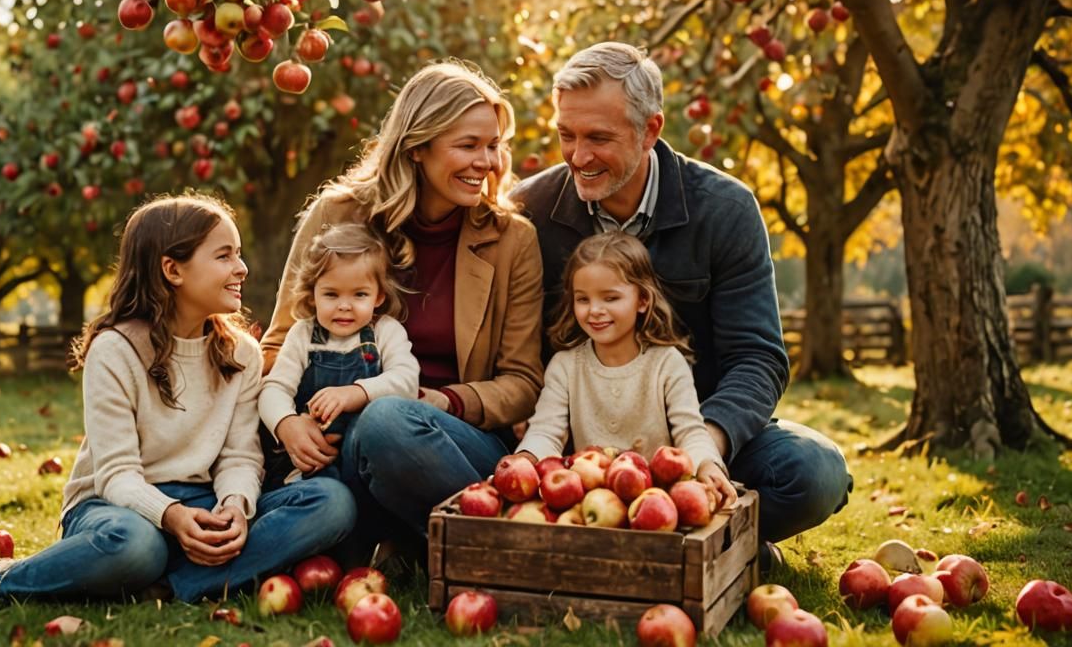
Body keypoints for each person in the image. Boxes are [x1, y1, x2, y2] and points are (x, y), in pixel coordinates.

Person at [0, 194, 355, 612]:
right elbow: (117, 475)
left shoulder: (241, 354)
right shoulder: (116, 349)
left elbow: (238, 455)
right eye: (224, 256)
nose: (241, 269)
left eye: (239, 254)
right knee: (135, 547)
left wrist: (234, 505)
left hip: (203, 503)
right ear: (173, 269)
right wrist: (170, 517)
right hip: (114, 508)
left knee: (330, 502)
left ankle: (168, 588)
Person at [511, 42, 851, 556]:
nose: (578, 156)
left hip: (694, 433)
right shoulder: (530, 210)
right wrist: (541, 451)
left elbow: (757, 357)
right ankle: (717, 543)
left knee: (814, 472)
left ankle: (711, 532)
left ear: (650, 130)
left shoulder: (725, 209)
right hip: (570, 441)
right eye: (566, 135)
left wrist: (701, 451)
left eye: (599, 138)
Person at [261, 60, 544, 538]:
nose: (488, 162)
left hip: (450, 440)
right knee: (366, 426)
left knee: (388, 418)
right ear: (417, 147)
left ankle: (490, 543)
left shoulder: (511, 240)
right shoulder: (338, 215)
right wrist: (288, 424)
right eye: (468, 145)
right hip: (336, 435)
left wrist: (448, 401)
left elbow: (522, 382)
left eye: (494, 146)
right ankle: (407, 538)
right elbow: (279, 344)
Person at [515, 232, 738, 508]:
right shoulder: (565, 366)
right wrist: (526, 459)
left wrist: (706, 464)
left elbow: (690, 431)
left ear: (642, 300)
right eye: (583, 299)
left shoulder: (667, 363)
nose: (594, 310)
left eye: (610, 298)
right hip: (590, 501)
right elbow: (547, 431)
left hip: (657, 501)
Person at [258, 222, 420, 490]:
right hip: (313, 465)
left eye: (360, 294)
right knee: (326, 502)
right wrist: (285, 423)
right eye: (331, 294)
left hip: (367, 466)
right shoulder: (304, 334)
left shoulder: (384, 332)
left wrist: (353, 394)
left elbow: (407, 381)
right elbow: (273, 388)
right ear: (313, 295)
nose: (344, 305)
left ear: (378, 296)